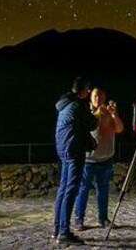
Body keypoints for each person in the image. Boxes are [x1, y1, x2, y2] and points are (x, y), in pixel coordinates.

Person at [53, 77, 98, 245]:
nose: (88, 92)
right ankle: (64, 233)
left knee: (63, 189)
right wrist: (92, 111)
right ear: (82, 90)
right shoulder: (77, 105)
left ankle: (57, 229)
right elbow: (93, 124)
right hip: (74, 150)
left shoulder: (65, 104)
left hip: (64, 149)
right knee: (71, 190)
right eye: (87, 89)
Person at [73, 87, 124, 230]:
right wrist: (97, 114)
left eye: (101, 95)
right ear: (90, 97)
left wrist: (114, 115)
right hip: (88, 160)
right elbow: (88, 128)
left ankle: (103, 219)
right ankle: (79, 219)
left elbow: (119, 129)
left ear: (105, 97)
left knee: (103, 190)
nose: (98, 98)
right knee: (83, 190)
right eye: (95, 95)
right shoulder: (86, 112)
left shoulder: (109, 112)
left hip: (106, 159)